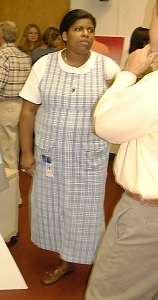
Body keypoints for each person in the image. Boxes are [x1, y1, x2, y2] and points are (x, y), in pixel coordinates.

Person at [19, 9, 120, 286]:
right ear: (64, 35)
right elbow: (28, 111)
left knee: (85, 210)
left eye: (89, 29)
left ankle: (93, 262)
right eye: (78, 29)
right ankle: (65, 261)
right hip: (51, 155)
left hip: (88, 157)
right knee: (53, 206)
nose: (85, 34)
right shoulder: (44, 65)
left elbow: (122, 108)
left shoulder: (107, 68)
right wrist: (27, 152)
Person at [86, 3, 158, 300]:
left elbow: (105, 124)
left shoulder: (154, 88)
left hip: (146, 218)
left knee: (109, 293)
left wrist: (128, 74)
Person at [0, 20, 31, 203]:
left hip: (4, 108)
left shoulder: (0, 56)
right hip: (21, 107)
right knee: (13, 152)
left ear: (2, 35)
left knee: (5, 157)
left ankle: (10, 200)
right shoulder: (24, 56)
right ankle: (15, 196)